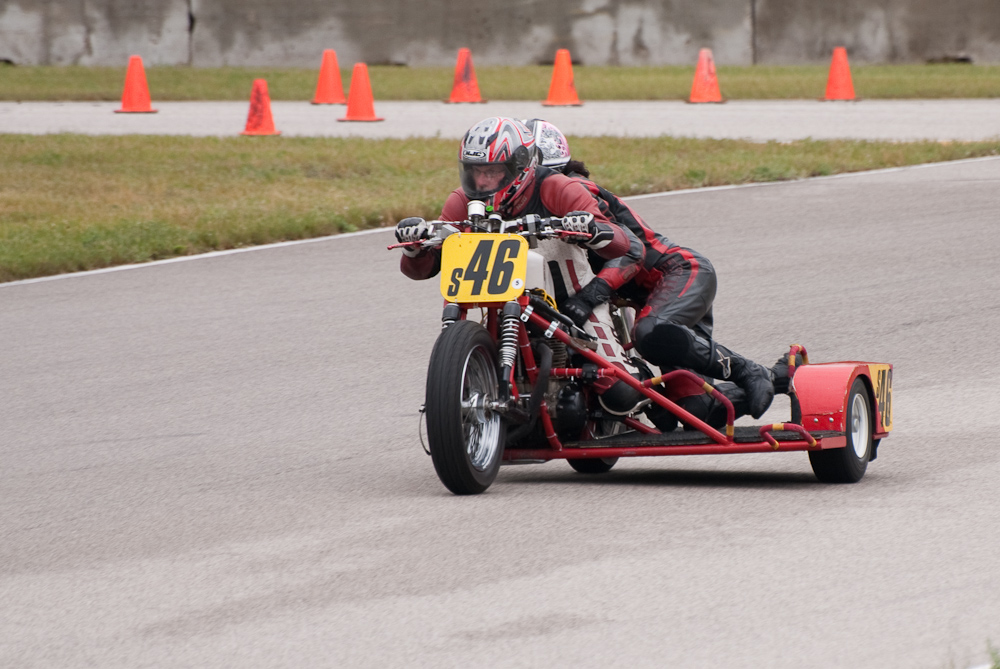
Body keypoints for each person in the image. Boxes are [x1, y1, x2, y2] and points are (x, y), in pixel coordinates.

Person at [524, 119, 776, 421]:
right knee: (689, 411)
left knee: (651, 335)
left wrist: (589, 297)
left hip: (676, 274)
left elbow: (632, 253)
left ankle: (748, 369)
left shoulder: (575, 190)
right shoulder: (521, 205)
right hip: (640, 299)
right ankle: (781, 378)